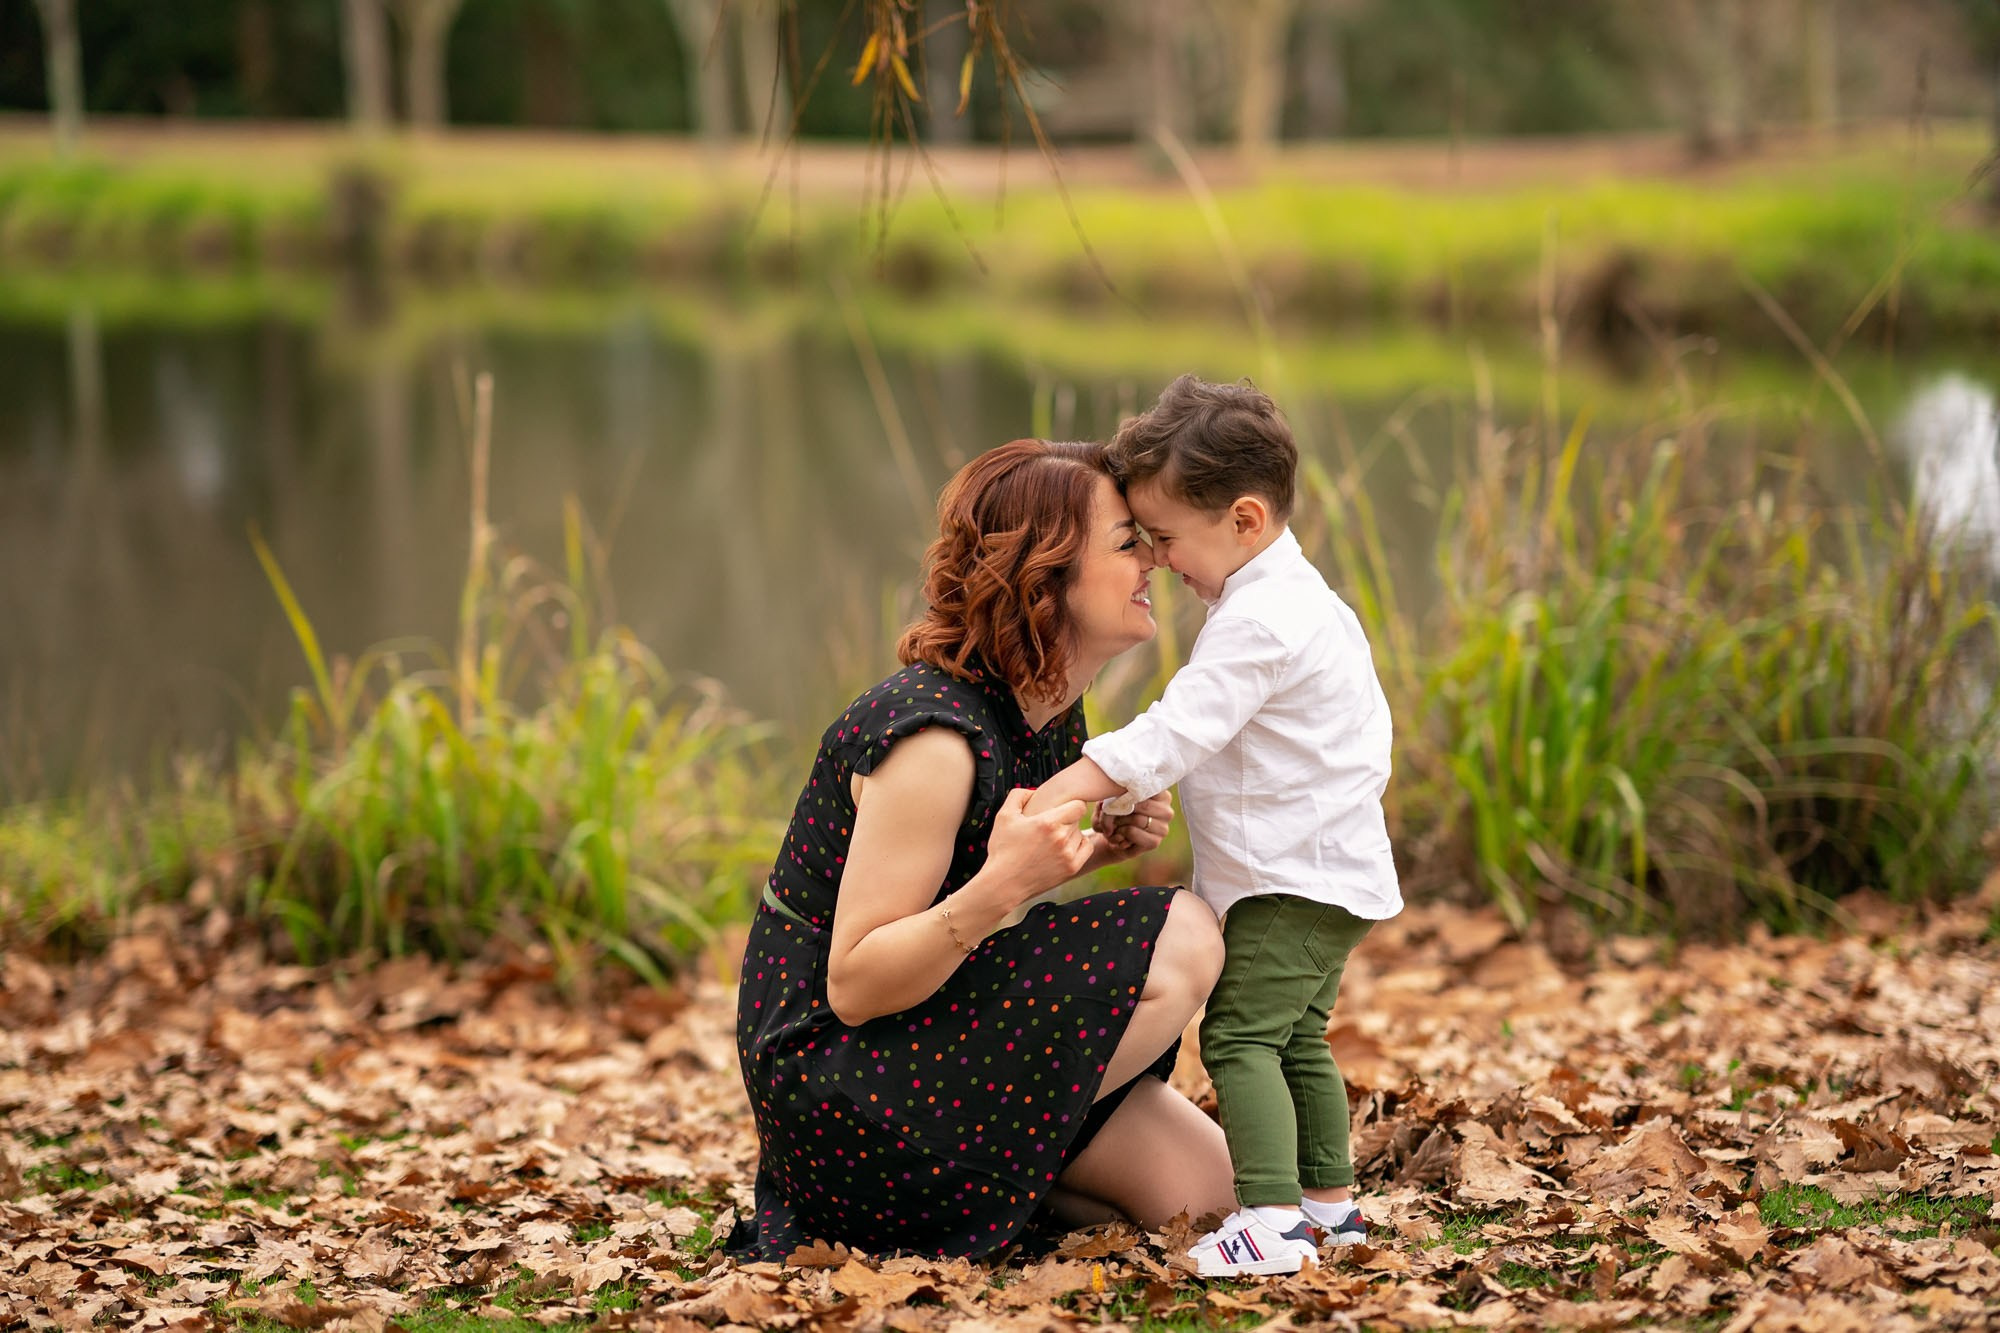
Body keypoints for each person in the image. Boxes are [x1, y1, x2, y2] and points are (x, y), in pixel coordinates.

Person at [730, 438, 1235, 1262]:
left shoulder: (1043, 711)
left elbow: (961, 887)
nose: (1152, 559)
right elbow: (855, 983)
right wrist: (1004, 885)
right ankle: (919, 1197)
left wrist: (1092, 852)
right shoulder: (934, 739)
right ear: (1045, 576)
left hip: (921, 1041)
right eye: (1126, 542)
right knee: (1181, 938)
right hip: (840, 1089)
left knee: (1213, 1196)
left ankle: (987, 1186)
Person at [1024, 376, 1403, 1278]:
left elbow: (1178, 728)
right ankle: (1330, 1210)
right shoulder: (1297, 600)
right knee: (1296, 1038)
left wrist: (1066, 787)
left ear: (1244, 519)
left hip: (1289, 880)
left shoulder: (1264, 618)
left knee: (1238, 1036)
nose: (1157, 560)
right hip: (1329, 873)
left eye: (1165, 537)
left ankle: (1269, 1219)